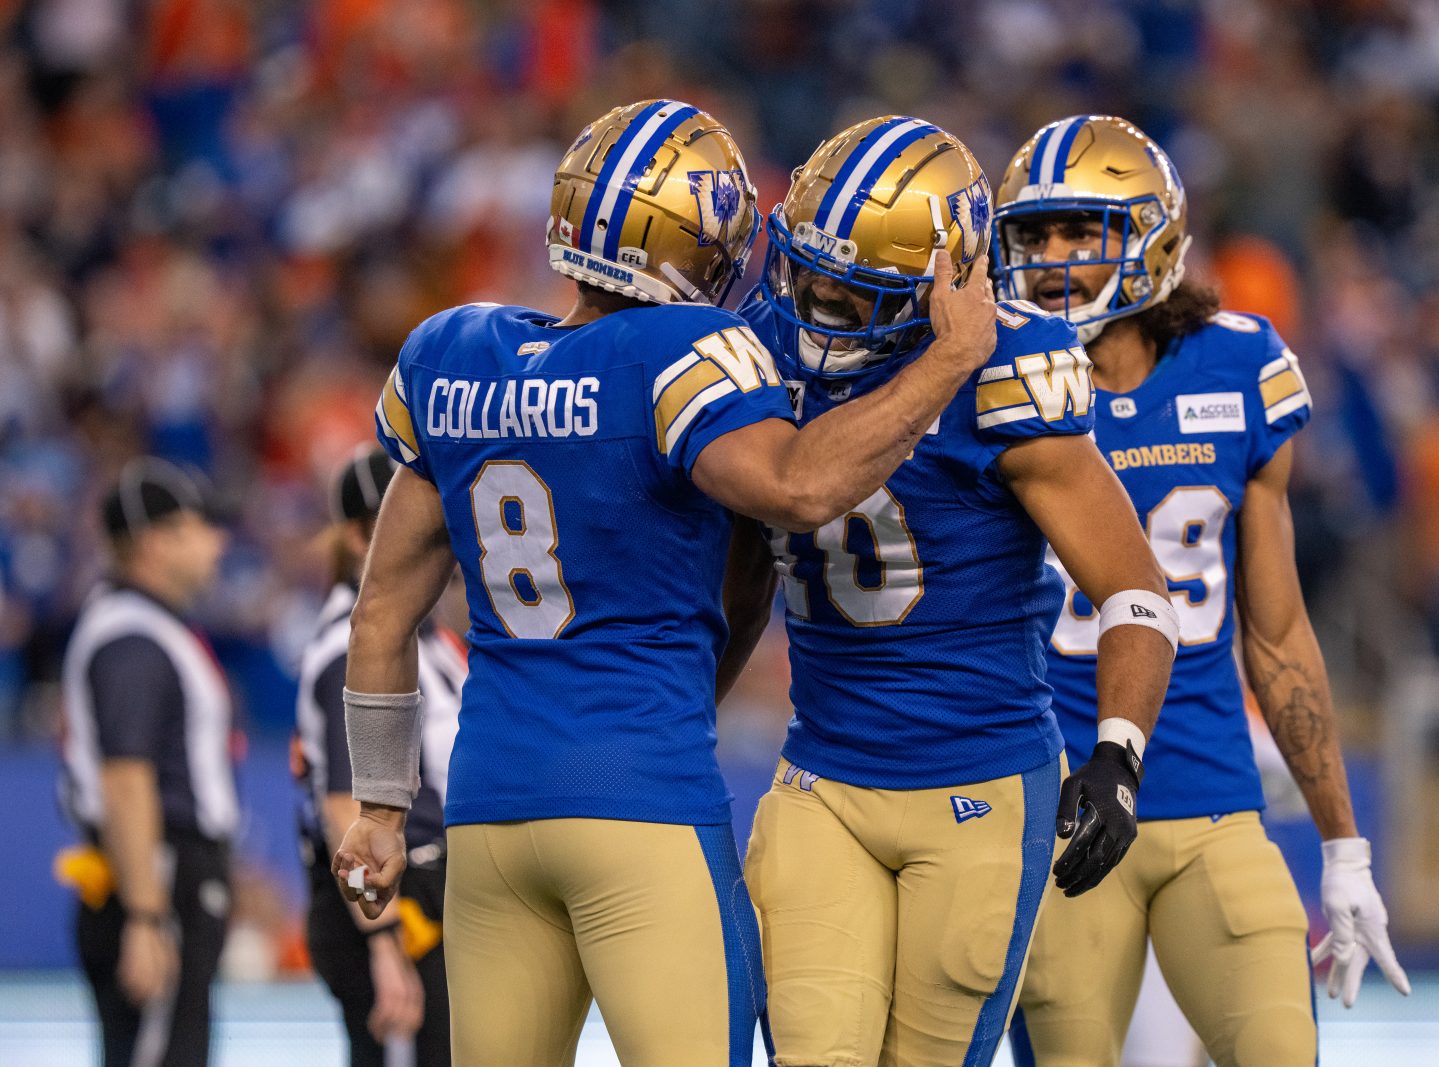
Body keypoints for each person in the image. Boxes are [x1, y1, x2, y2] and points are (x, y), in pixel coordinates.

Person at [329, 98, 1001, 1066]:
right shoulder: (679, 352)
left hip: (488, 805)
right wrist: (948, 359)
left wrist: (383, 805)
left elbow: (384, 607)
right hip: (637, 800)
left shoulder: (450, 352)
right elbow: (798, 487)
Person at [734, 115, 1177, 1066]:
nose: (813, 305)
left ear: (944, 289)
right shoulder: (759, 345)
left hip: (978, 787)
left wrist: (1118, 755)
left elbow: (1135, 589)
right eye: (807, 273)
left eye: (851, 294)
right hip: (822, 776)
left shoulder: (1012, 369)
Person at [992, 115, 1409, 1067]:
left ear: (1152, 240)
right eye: (1035, 232)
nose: (1050, 257)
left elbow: (1279, 632)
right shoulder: (988, 374)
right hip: (1057, 812)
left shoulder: (1239, 362)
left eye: (1080, 231)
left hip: (1214, 800)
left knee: (1277, 1049)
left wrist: (1345, 846)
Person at [57, 458, 234, 1067]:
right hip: (157, 874)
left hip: (164, 871)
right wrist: (145, 915)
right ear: (156, 541)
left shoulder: (147, 627)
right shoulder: (131, 636)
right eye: (200, 526)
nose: (219, 542)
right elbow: (127, 781)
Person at [294, 447, 461, 1065]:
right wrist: (385, 942)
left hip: (420, 886)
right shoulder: (355, 645)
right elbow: (347, 809)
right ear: (366, 533)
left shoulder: (422, 636)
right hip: (391, 896)